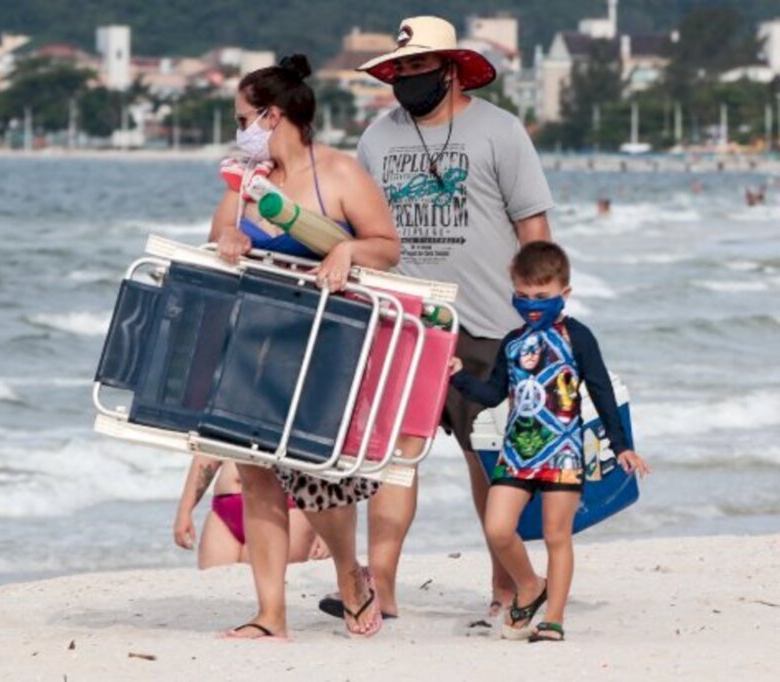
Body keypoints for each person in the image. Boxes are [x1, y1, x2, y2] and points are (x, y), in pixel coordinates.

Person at [331, 16, 555, 623]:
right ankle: (382, 588)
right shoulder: (378, 137)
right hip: (403, 319)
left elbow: (532, 226)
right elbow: (359, 227)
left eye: (417, 67)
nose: (406, 77)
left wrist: (542, 312)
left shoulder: (500, 131)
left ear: (450, 69)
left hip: (489, 321)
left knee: (487, 459)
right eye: (399, 67)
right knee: (395, 459)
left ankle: (506, 589)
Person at [209, 54, 401, 640]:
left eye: (244, 117)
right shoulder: (246, 180)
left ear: (272, 115)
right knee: (257, 475)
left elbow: (387, 247)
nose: (238, 130)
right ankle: (271, 615)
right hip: (254, 340)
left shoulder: (338, 173)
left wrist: (346, 250)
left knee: (318, 483)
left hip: (322, 343)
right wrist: (233, 236)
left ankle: (350, 573)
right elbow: (218, 235)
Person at [448, 241, 651, 641]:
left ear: (565, 294)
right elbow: (493, 395)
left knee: (557, 536)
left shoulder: (578, 337)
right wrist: (457, 375)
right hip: (517, 454)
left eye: (541, 296)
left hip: (563, 455)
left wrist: (621, 444)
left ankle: (553, 618)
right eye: (522, 296)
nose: (531, 304)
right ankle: (530, 585)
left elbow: (600, 391)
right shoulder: (511, 342)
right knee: (499, 529)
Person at [173, 457, 329, 568]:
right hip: (225, 509)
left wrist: (327, 530)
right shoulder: (229, 408)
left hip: (283, 507)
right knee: (214, 587)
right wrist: (185, 510)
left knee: (263, 591)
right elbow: (206, 453)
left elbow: (323, 453)